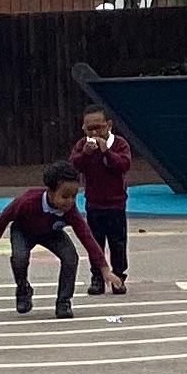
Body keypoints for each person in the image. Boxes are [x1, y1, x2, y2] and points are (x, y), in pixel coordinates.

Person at [0, 166, 103, 316]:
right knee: (19, 258)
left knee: (70, 257)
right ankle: (23, 289)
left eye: (74, 196)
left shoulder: (70, 211)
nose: (70, 201)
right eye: (65, 197)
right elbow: (7, 214)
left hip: (51, 233)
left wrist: (104, 268)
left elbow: (86, 236)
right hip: (23, 230)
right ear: (50, 192)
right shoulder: (28, 201)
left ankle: (63, 302)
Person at [69, 107, 135, 293]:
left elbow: (124, 165)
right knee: (95, 242)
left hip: (116, 203)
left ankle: (119, 277)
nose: (94, 133)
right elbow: (73, 166)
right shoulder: (82, 145)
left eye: (99, 127)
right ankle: (97, 277)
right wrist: (85, 154)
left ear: (109, 125)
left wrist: (106, 152)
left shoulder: (119, 144)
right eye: (89, 129)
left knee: (118, 242)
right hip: (94, 203)